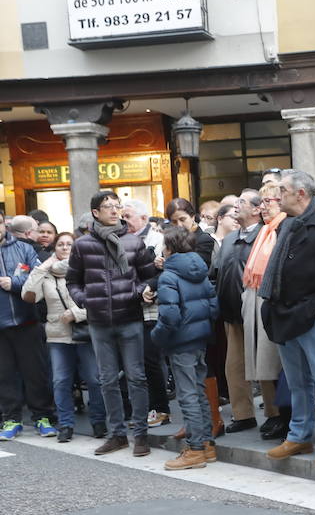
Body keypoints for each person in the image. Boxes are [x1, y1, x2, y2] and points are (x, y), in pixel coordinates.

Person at [260, 169, 315, 467]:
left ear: (301, 193)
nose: (276, 196)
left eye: (282, 191)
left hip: (311, 315)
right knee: (297, 381)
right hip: (283, 312)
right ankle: (299, 435)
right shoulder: (287, 223)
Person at [66, 191, 157, 456]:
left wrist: (140, 292)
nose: (114, 211)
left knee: (137, 377)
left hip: (129, 317)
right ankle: (117, 434)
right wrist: (85, 300)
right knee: (106, 380)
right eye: (108, 207)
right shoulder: (82, 245)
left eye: (117, 206)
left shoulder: (132, 241)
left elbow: (148, 276)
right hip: (98, 321)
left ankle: (140, 435)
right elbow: (73, 281)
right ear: (96, 212)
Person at [21, 232, 106, 442]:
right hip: (57, 336)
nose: (65, 247)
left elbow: (101, 301)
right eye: (61, 244)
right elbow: (28, 295)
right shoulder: (47, 274)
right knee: (60, 381)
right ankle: (65, 424)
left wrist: (76, 314)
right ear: (54, 248)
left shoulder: (87, 270)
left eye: (70, 244)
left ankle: (98, 421)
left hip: (85, 334)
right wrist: (43, 267)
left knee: (94, 380)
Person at [151, 227, 219, 471]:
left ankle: (195, 449)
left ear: (169, 248)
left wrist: (157, 337)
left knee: (188, 394)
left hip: (180, 342)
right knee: (198, 391)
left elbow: (169, 315)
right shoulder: (199, 269)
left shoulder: (169, 275)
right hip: (200, 339)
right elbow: (213, 304)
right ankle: (207, 444)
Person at [210, 190, 276, 435]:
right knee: (234, 366)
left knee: (265, 364)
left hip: (257, 310)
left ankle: (273, 413)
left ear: (257, 209)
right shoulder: (228, 239)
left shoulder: (266, 234)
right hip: (229, 310)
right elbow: (216, 272)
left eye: (242, 202)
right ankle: (243, 414)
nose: (235, 206)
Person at [166, 197, 225, 434]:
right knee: (188, 374)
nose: (179, 224)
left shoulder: (204, 239)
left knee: (205, 367)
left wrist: (167, 263)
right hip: (187, 308)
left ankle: (212, 421)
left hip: (201, 308)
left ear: (193, 217)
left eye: (183, 218)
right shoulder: (176, 242)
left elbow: (197, 268)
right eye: (174, 221)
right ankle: (194, 422)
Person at [0, 211, 57, 441]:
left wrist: (13, 283)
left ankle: (42, 417)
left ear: (5, 223)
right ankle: (11, 419)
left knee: (36, 372)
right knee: (5, 375)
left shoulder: (24, 248)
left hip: (27, 320)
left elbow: (38, 277)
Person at [242, 181, 287, 440]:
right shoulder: (265, 231)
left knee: (277, 363)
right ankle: (274, 414)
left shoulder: (282, 229)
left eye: (267, 202)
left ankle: (283, 416)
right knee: (265, 364)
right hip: (256, 300)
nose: (262, 208)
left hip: (272, 303)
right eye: (261, 203)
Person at [121, 199, 169, 429]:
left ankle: (160, 409)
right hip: (129, 308)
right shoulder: (121, 240)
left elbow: (165, 271)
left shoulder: (157, 240)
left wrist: (148, 288)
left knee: (151, 361)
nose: (124, 220)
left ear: (143, 218)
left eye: (128, 215)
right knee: (134, 364)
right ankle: (142, 410)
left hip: (152, 308)